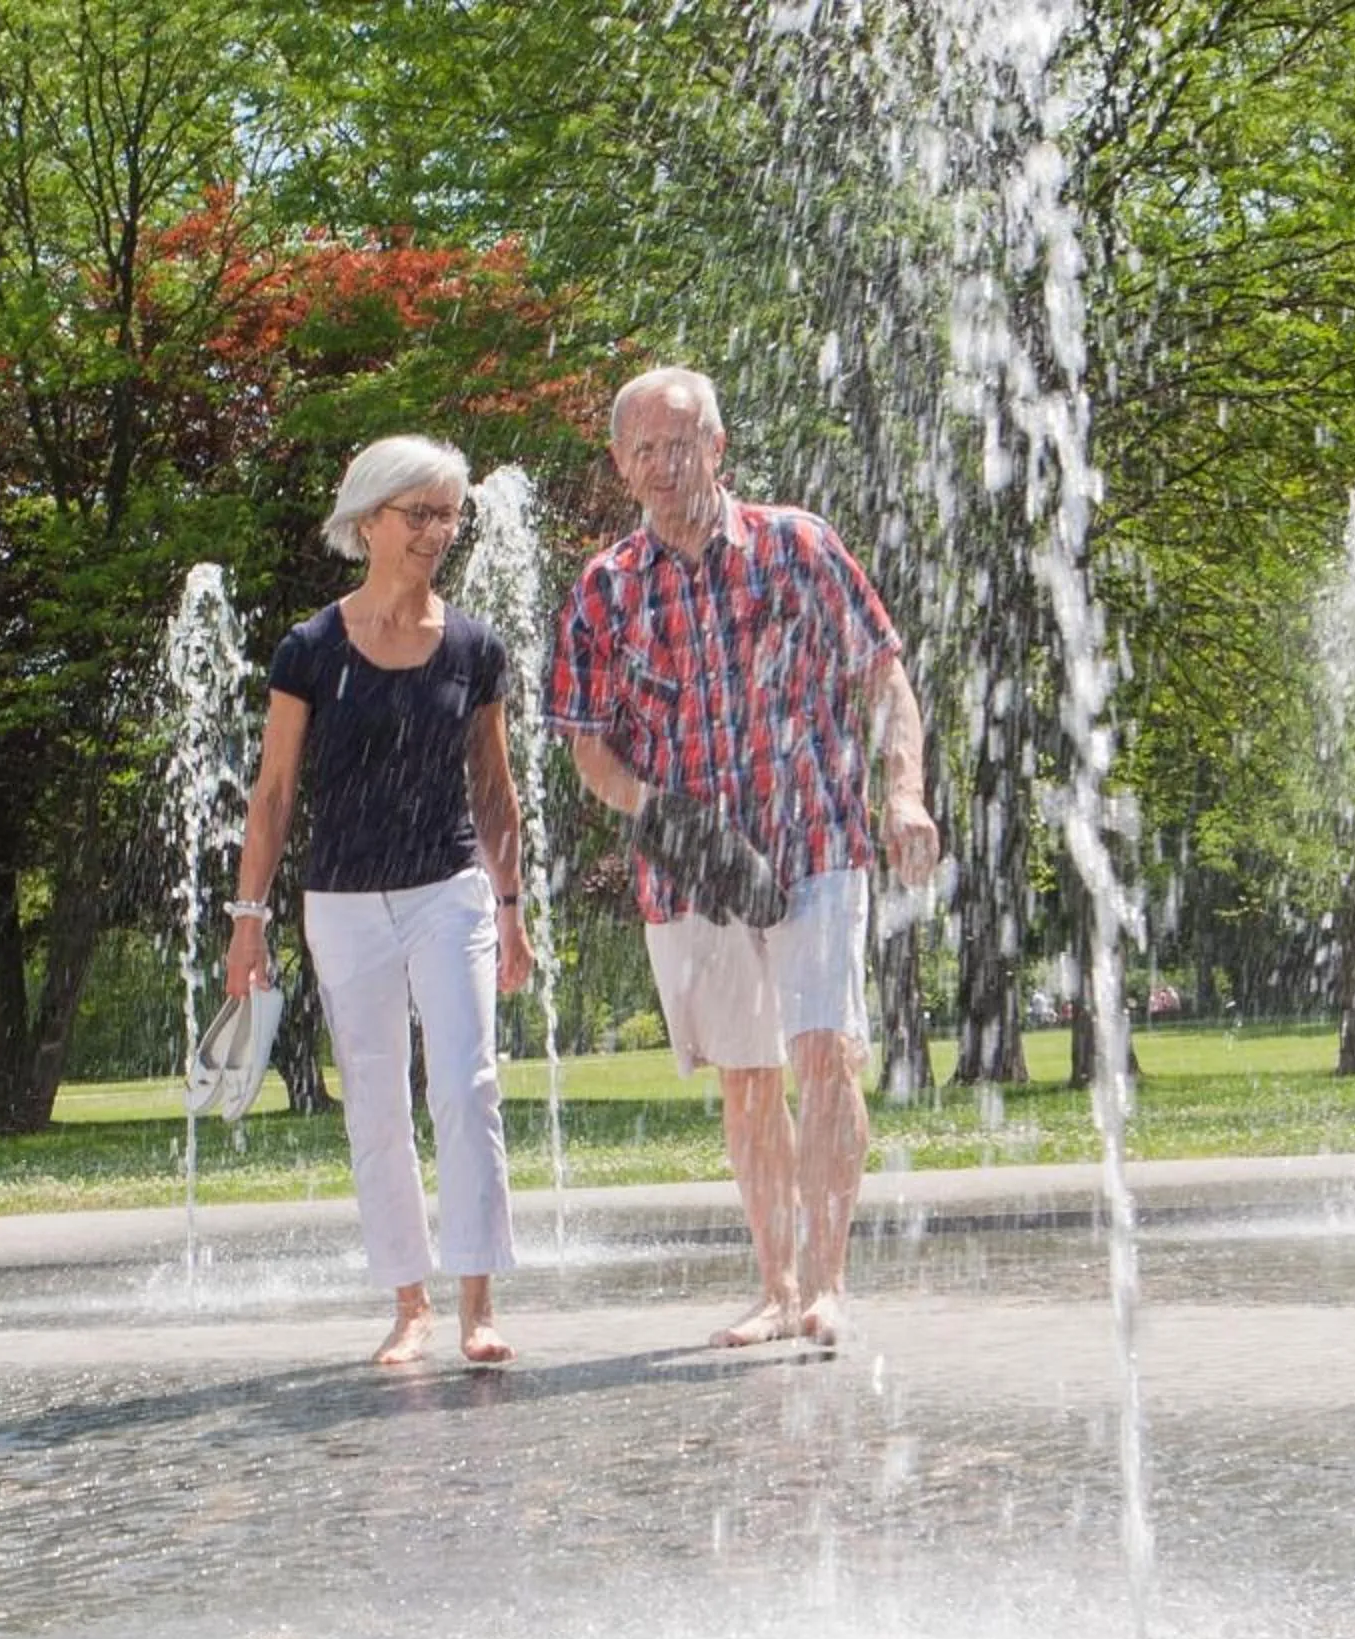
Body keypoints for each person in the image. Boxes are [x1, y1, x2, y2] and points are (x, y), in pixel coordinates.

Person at [549, 366, 940, 1350]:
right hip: (697, 869)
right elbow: (588, 747)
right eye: (643, 449)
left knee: (824, 1050)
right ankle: (775, 1286)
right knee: (748, 1076)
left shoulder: (797, 546)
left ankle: (827, 1284)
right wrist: (662, 817)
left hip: (815, 839)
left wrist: (903, 793)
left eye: (680, 444)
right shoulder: (605, 589)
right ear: (620, 465)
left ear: (717, 448)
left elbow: (886, 679)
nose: (663, 464)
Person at [226, 435, 533, 1367]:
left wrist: (512, 908)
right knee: (375, 1101)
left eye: (449, 515)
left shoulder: (475, 647)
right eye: (419, 514)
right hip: (344, 903)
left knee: (467, 1084)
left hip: (451, 891)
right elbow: (275, 793)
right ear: (368, 522)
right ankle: (410, 1305)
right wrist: (247, 923)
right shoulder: (310, 650)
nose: (438, 532)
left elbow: (495, 791)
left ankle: (477, 1305)